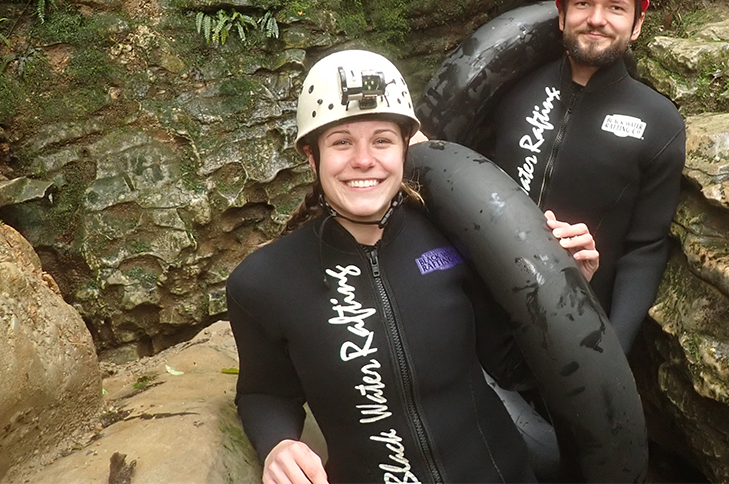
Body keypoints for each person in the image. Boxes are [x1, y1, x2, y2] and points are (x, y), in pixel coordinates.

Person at [226, 49, 599, 484]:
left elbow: (513, 367)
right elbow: (262, 392)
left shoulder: (460, 238)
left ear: (404, 149)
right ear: (312, 157)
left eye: (381, 140)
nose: (364, 160)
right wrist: (277, 444)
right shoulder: (263, 282)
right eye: (342, 141)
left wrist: (567, 292)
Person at [482, 0, 686, 356]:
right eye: (582, 4)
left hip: (575, 335)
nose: (597, 19)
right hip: (485, 313)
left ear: (637, 24)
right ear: (560, 15)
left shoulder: (660, 122)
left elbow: (645, 249)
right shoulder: (510, 91)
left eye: (616, 7)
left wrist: (613, 352)